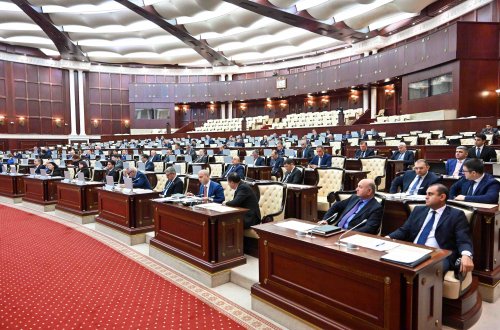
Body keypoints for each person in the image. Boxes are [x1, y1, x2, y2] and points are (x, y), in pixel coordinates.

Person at [387, 184, 474, 274]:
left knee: (422, 272)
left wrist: (466, 254)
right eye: (426, 194)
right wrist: (388, 238)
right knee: (387, 263)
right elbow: (404, 230)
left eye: (430, 194)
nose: (426, 197)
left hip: (439, 255)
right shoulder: (418, 210)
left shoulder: (456, 215)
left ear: (442, 197)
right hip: (413, 250)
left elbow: (463, 239)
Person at [318, 179, 382, 235]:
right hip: (336, 230)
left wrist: (347, 233)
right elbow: (336, 206)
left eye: (360, 187)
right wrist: (325, 220)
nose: (356, 189)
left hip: (351, 235)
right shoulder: (354, 198)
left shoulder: (376, 208)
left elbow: (369, 228)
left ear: (369, 191)